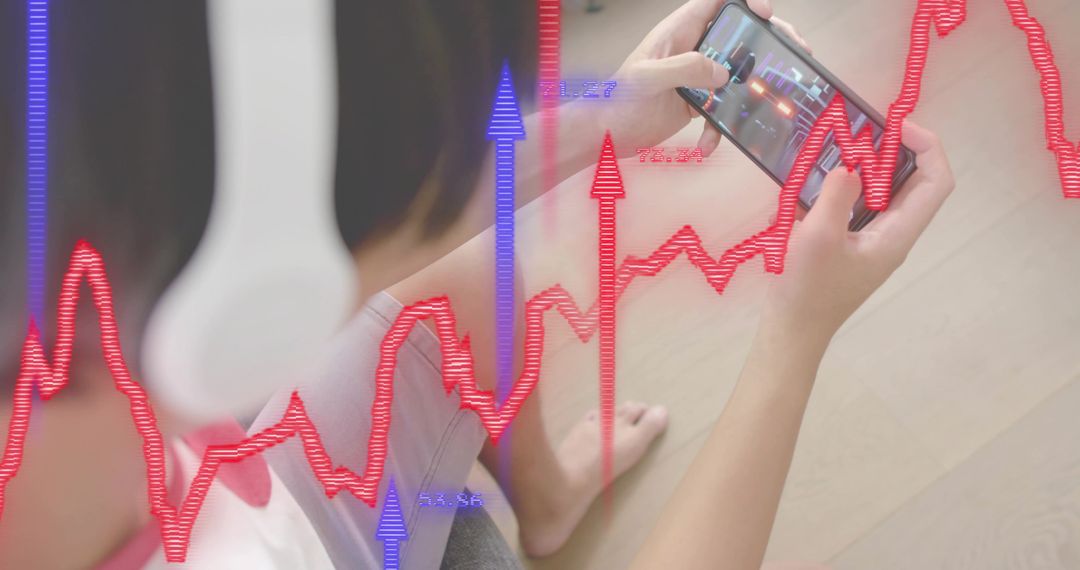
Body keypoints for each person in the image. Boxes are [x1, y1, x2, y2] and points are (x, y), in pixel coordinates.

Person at [0, 0, 954, 568]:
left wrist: (606, 121)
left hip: (202, 492)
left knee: (457, 270)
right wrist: (795, 335)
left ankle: (544, 493)